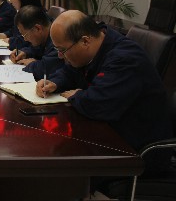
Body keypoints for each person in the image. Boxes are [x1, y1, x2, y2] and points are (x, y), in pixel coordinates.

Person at [38, 10, 173, 175]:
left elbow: (98, 104)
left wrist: (78, 96)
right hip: (110, 134)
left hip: (137, 151)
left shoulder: (125, 58)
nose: (60, 56)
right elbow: (71, 71)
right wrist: (55, 82)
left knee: (58, 163)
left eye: (62, 50)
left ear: (85, 41)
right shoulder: (97, 46)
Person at [12, 5, 63, 80]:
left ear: (38, 28)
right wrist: (25, 53)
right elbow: (37, 49)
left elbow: (44, 70)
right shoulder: (45, 35)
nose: (25, 39)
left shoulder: (57, 38)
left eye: (25, 35)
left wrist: (32, 64)